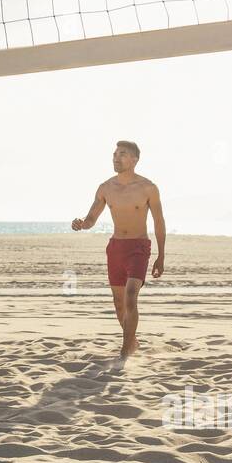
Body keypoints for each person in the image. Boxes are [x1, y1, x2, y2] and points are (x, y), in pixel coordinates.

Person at [71, 140, 166, 359]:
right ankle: (131, 342)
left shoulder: (148, 188)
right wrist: (81, 224)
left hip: (138, 247)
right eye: (114, 154)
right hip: (116, 248)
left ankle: (125, 351)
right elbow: (92, 217)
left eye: (122, 154)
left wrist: (161, 256)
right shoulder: (106, 187)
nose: (116, 157)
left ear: (134, 159)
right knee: (118, 301)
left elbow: (159, 222)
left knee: (131, 295)